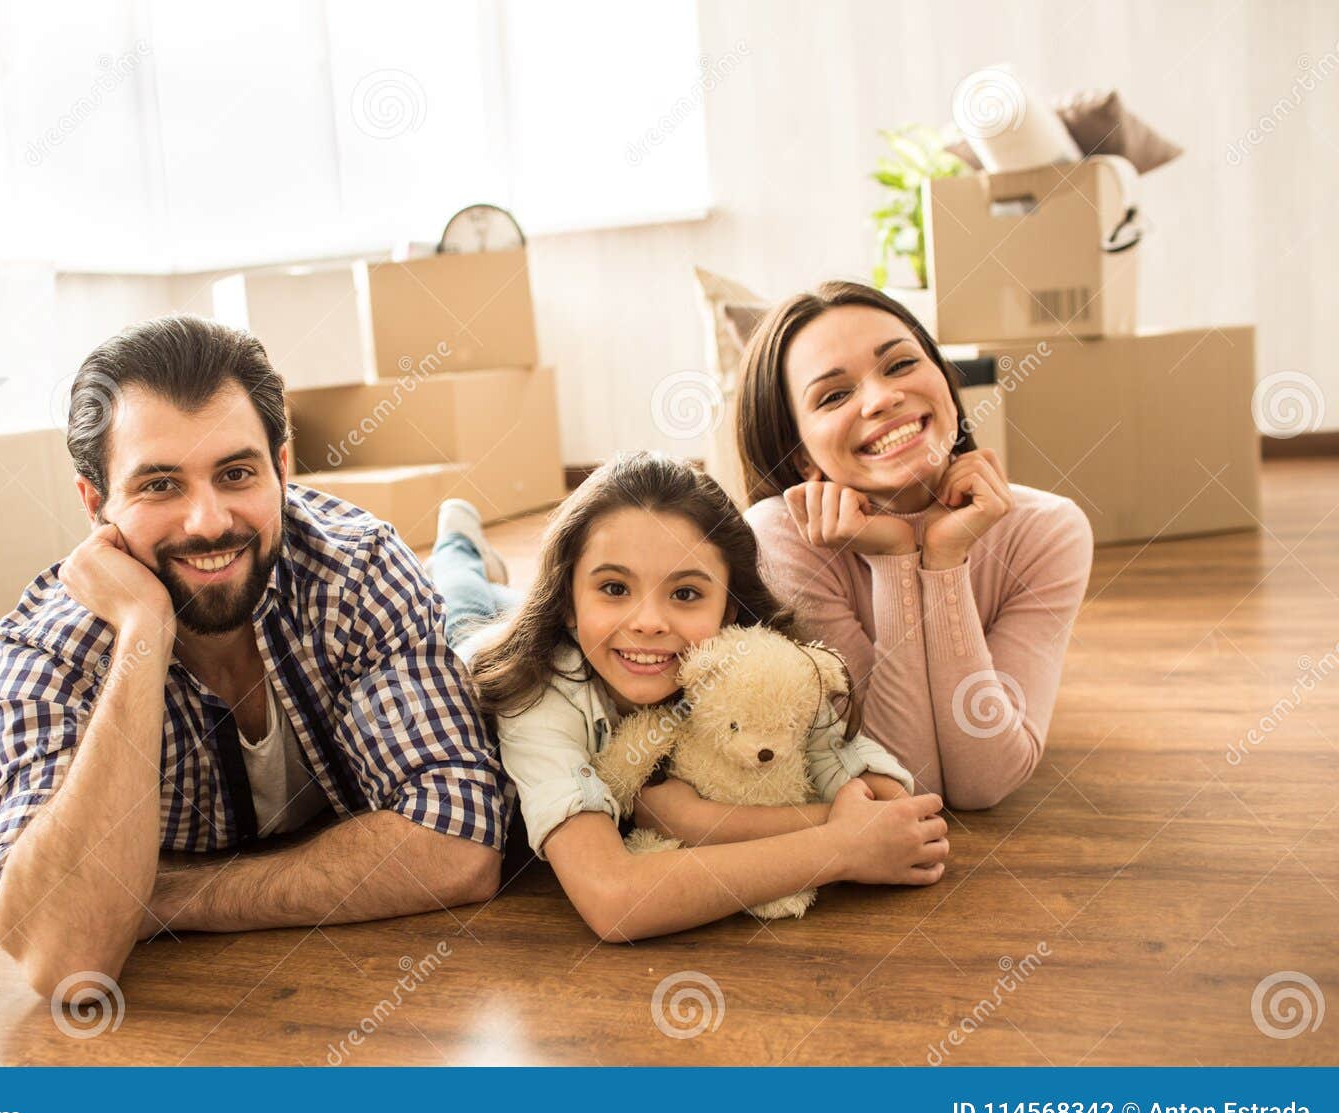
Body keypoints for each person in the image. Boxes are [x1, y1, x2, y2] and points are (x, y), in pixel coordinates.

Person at [0, 316, 506, 1000]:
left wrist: (158, 899)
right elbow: (67, 955)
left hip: (457, 619)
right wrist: (143, 633)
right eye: (159, 485)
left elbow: (463, 848)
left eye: (235, 473)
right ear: (94, 502)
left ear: (282, 468)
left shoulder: (361, 566)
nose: (208, 521)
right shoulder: (44, 656)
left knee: (472, 614)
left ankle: (459, 545)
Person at [428, 453, 951, 943]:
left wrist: (702, 822)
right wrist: (839, 846)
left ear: (729, 610)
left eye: (685, 594)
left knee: (501, 601)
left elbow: (891, 809)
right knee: (458, 594)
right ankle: (458, 538)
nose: (649, 622)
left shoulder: (755, 667)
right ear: (568, 601)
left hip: (587, 635)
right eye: (614, 587)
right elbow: (614, 899)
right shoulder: (536, 693)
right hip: (474, 644)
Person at [735, 281, 1094, 809]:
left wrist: (945, 561)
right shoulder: (780, 538)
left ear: (946, 385)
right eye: (834, 396)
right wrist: (894, 560)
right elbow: (906, 778)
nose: (882, 399)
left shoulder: (1048, 530)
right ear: (802, 458)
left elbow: (984, 782)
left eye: (901, 365)